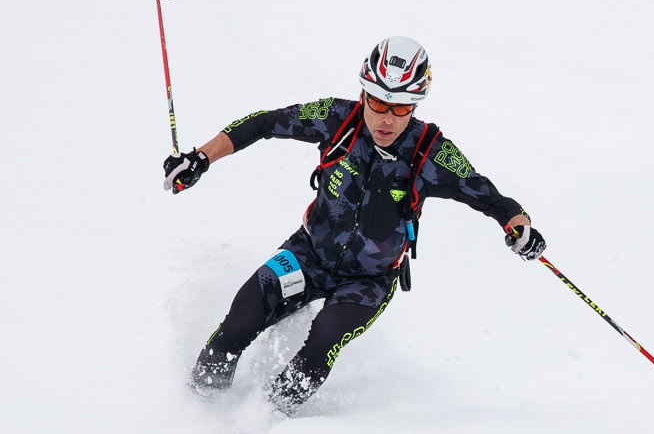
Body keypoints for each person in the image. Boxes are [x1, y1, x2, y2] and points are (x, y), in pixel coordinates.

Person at [161, 36, 545, 413]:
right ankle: (197, 408)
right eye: (378, 101)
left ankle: (263, 418)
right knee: (241, 318)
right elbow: (264, 123)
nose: (386, 118)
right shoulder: (336, 118)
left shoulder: (431, 151)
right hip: (308, 255)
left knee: (325, 336)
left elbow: (491, 197)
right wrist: (200, 159)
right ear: (363, 92)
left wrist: (519, 227)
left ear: (416, 104)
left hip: (368, 282)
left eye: (401, 107)